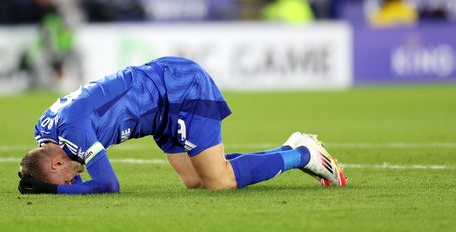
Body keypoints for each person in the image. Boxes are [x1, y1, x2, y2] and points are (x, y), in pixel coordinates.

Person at [18, 57, 347, 195]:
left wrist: (54, 189)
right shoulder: (45, 130)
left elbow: (108, 184)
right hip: (159, 113)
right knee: (195, 180)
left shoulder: (72, 132)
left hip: (177, 89)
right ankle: (289, 149)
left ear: (58, 161)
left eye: (68, 177)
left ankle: (301, 153)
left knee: (218, 181)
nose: (76, 179)